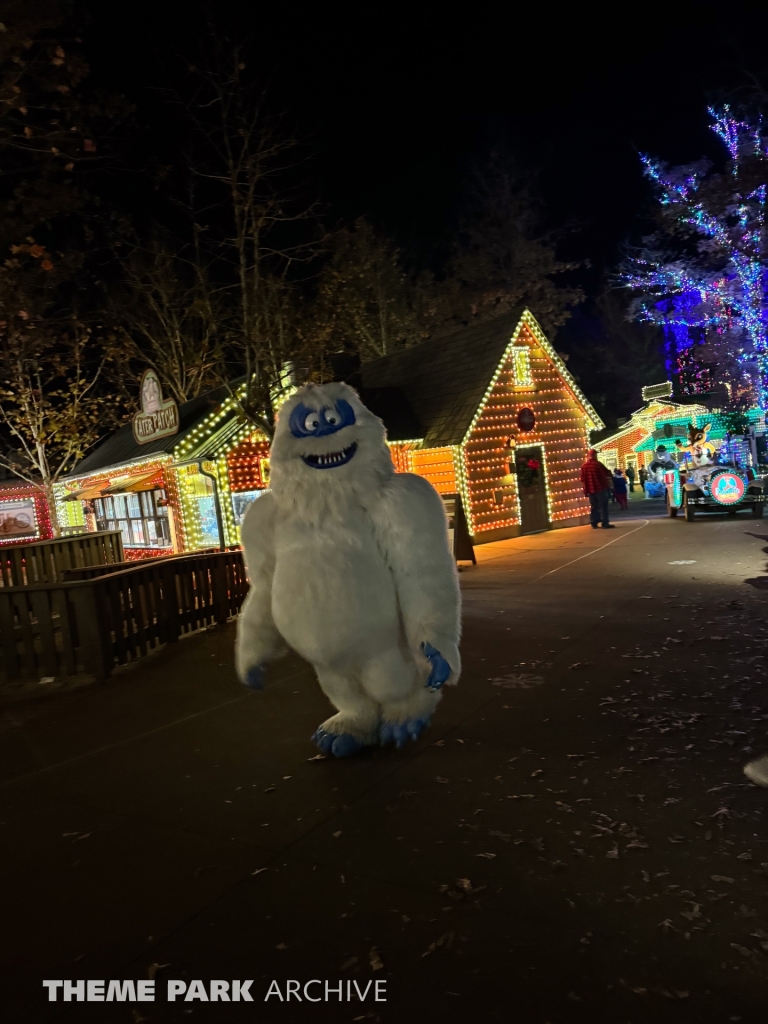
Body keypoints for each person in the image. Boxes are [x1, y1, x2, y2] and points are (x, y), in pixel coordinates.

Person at [580, 449, 615, 529]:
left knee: (594, 506)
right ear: (595, 455)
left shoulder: (584, 466)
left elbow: (582, 479)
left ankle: (594, 522)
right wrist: (608, 485)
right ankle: (604, 522)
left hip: (590, 490)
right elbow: (604, 475)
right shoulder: (598, 464)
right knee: (603, 505)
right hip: (600, 488)